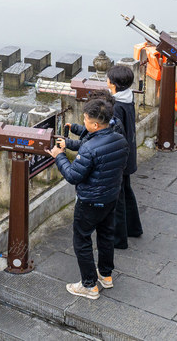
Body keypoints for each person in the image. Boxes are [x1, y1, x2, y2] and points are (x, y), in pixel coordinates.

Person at [48, 99, 128, 301]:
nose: (83, 122)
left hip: (90, 201)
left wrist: (59, 156)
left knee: (82, 241)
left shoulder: (90, 148)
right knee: (106, 236)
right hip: (111, 197)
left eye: (85, 120)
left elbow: (73, 176)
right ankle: (106, 275)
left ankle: (89, 285)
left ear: (95, 125)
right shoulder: (120, 139)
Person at [107, 65, 142, 249]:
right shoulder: (128, 98)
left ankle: (118, 239)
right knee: (126, 191)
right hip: (129, 153)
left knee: (117, 198)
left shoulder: (116, 107)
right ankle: (134, 228)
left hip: (120, 157)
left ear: (113, 84)